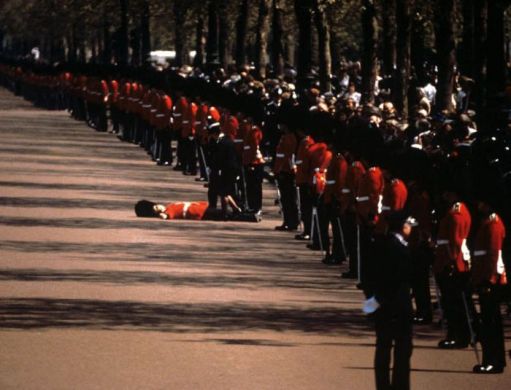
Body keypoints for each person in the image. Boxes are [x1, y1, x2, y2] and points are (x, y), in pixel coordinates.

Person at [364, 211, 415, 390]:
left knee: (383, 348)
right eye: (409, 226)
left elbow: (368, 278)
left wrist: (371, 304)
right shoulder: (400, 248)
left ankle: (383, 386)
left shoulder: (379, 245)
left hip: (381, 304)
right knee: (402, 349)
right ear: (402, 227)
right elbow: (401, 277)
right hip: (398, 305)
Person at [471, 201, 507, 374]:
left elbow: (493, 255)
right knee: (489, 321)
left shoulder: (493, 224)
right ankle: (493, 359)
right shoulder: (489, 223)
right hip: (484, 277)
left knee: (491, 323)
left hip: (489, 280)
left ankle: (493, 361)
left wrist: (488, 280)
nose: (480, 206)